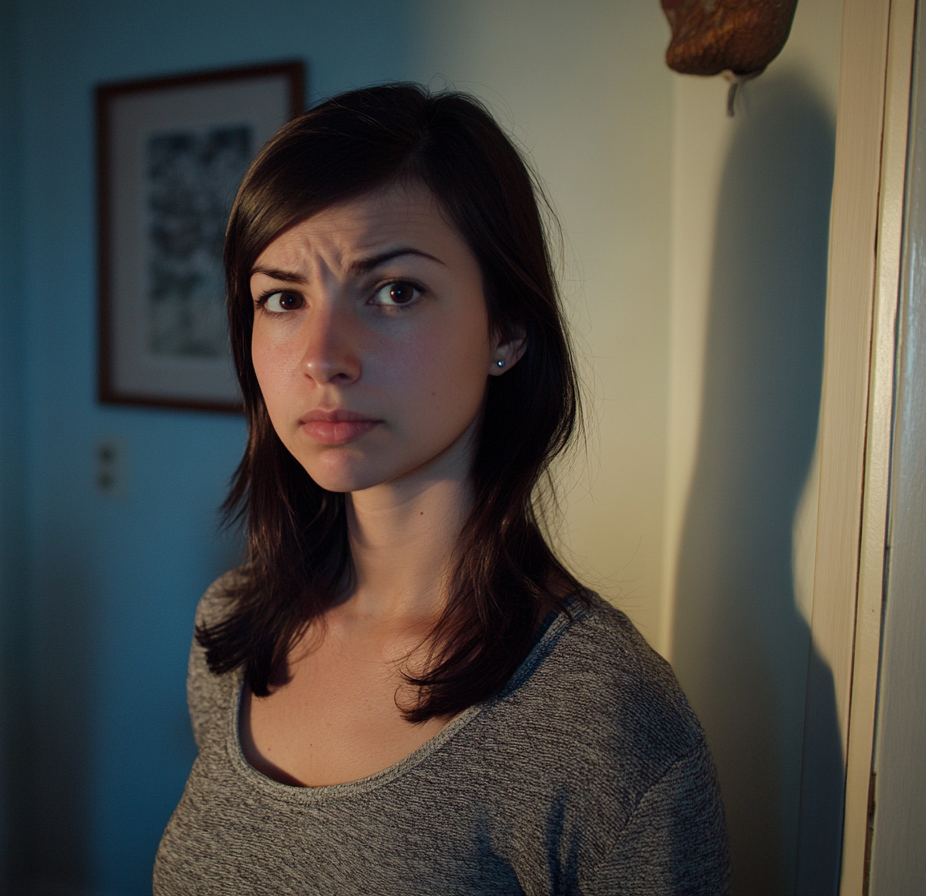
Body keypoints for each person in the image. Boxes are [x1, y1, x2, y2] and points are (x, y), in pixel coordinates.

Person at [153, 83, 729, 895]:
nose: (323, 357)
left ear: (506, 329)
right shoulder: (234, 632)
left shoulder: (606, 723)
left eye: (394, 292)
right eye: (283, 299)